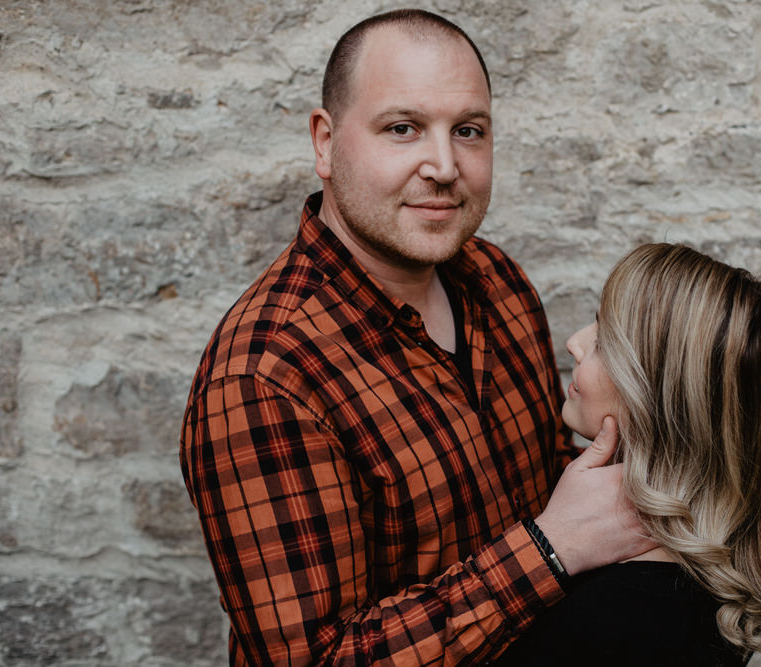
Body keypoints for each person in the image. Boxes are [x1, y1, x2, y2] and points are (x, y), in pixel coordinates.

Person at [180, 9, 649, 666]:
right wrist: (548, 549)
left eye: (468, 131)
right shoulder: (265, 377)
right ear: (325, 141)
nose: (443, 165)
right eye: (402, 128)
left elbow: (552, 481)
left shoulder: (499, 282)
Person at [494, 243, 761, 666]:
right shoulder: (714, 567)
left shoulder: (607, 623)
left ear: (659, 400)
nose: (573, 343)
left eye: (604, 341)